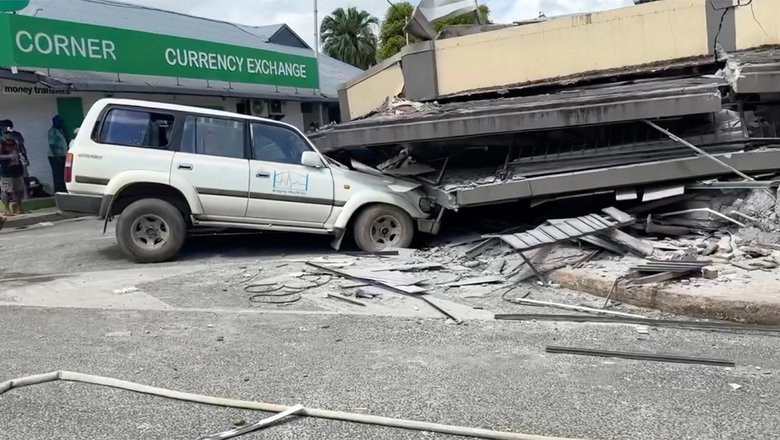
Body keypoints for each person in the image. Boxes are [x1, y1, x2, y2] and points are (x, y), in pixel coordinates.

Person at [0, 127, 26, 216]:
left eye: (10, 133)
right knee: (6, 191)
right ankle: (6, 210)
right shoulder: (1, 144)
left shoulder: (15, 143)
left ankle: (19, 207)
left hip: (16, 170)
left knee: (19, 190)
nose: (9, 135)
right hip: (6, 172)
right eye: (7, 133)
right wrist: (10, 156)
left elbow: (20, 154)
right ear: (3, 134)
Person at [48, 115, 69, 193]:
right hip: (55, 156)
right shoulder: (52, 131)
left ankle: (63, 190)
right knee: (58, 174)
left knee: (63, 174)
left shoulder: (60, 131)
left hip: (63, 155)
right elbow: (53, 145)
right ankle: (58, 191)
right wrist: (57, 156)